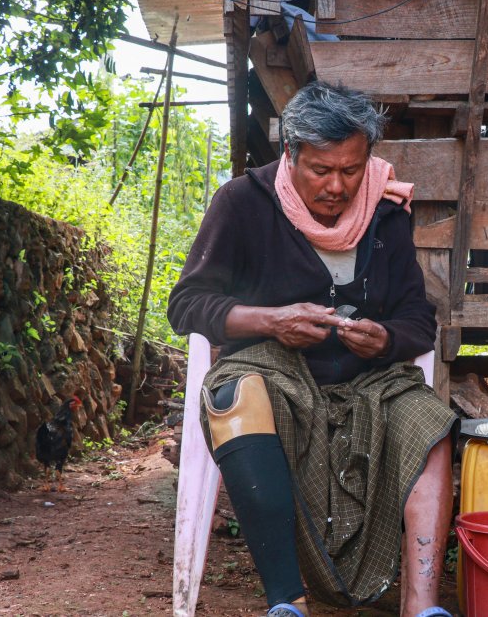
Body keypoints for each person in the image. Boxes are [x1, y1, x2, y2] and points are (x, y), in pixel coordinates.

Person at [167, 81, 456, 617]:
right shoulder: (244, 203)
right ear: (291, 155)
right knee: (237, 396)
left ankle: (422, 606)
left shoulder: (386, 215)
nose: (337, 187)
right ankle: (286, 600)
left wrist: (385, 338)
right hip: (270, 367)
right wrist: (272, 321)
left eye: (351, 170)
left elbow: (418, 320)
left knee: (430, 421)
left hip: (369, 381)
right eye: (320, 170)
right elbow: (187, 305)